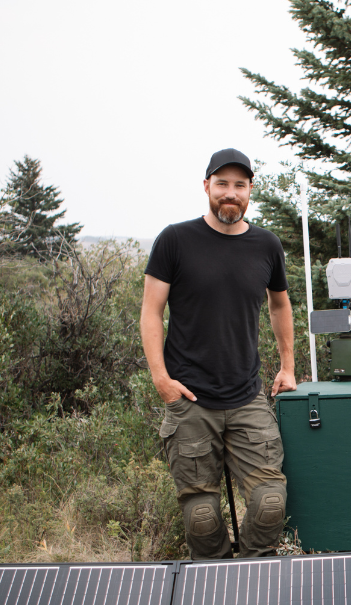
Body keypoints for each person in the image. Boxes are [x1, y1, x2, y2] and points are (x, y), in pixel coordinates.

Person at [140, 148, 296, 560]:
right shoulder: (175, 240)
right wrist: (160, 377)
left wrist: (288, 367)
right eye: (222, 184)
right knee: (201, 515)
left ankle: (252, 575)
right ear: (207, 186)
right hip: (189, 400)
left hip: (247, 397)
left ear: (250, 192)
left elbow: (280, 305)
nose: (231, 193)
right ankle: (213, 590)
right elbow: (151, 311)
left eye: (239, 185)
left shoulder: (266, 245)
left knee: (269, 503)